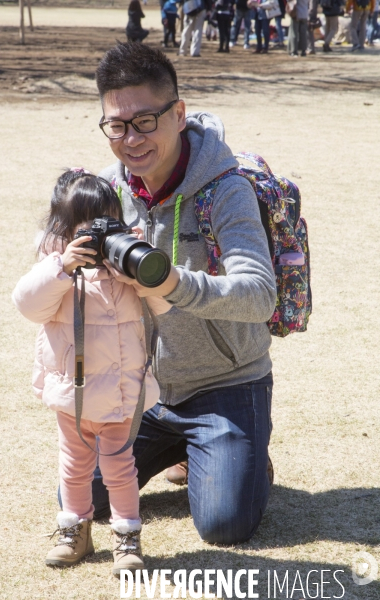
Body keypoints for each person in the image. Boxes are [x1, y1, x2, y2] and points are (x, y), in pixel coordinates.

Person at [92, 42, 277, 546]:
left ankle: (246, 453)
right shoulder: (108, 189)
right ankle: (186, 447)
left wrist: (171, 284)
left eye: (146, 121)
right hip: (146, 391)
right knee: (82, 500)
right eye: (117, 124)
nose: (131, 138)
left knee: (223, 525)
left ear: (177, 113)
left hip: (227, 382)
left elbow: (260, 294)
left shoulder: (225, 189)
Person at [12, 170, 170, 572]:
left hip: (121, 394)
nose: (99, 239)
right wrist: (62, 268)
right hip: (74, 396)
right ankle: (75, 530)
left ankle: (127, 538)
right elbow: (27, 305)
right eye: (88, 229)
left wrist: (139, 274)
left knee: (120, 468)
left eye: (108, 223)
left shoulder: (126, 265)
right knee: (74, 467)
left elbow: (166, 308)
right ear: (63, 232)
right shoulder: (57, 270)